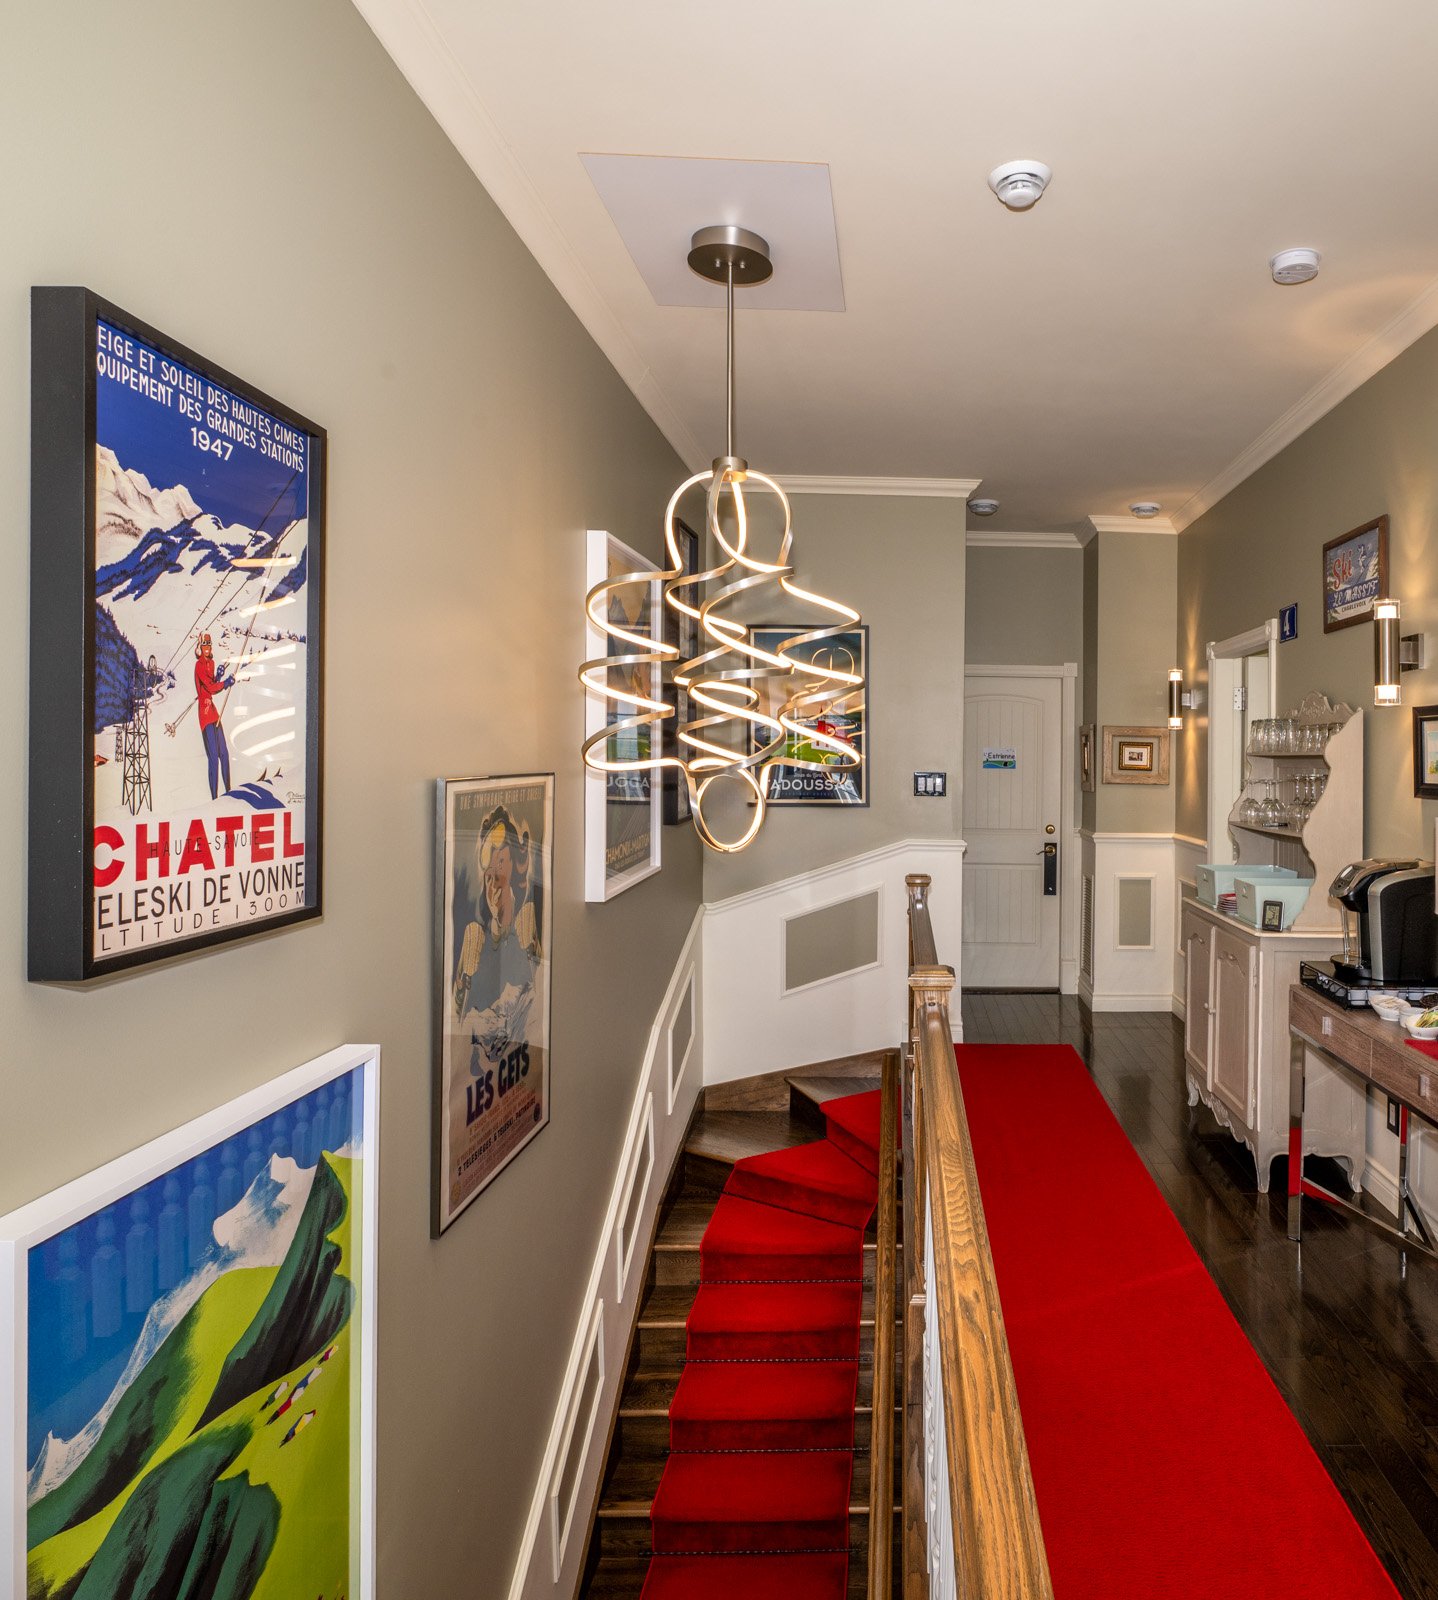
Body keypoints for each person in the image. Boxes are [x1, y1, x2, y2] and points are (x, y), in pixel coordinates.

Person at [194, 633, 235, 798]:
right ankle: (214, 798)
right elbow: (210, 688)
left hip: (213, 712)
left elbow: (211, 685)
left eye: (209, 644)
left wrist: (218, 677)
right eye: (204, 645)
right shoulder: (199, 665)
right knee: (213, 757)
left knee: (223, 753)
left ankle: (229, 791)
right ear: (200, 647)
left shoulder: (210, 663)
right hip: (204, 714)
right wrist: (224, 683)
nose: (207, 648)